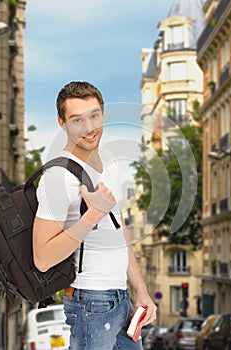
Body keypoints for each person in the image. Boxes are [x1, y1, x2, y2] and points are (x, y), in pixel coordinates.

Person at [32, 81, 157, 349]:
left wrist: (141, 290)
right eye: (77, 119)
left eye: (94, 116)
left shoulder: (109, 165)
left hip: (120, 299)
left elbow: (119, 233)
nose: (89, 128)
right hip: (89, 302)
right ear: (62, 123)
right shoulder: (58, 177)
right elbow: (42, 257)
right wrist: (92, 215)